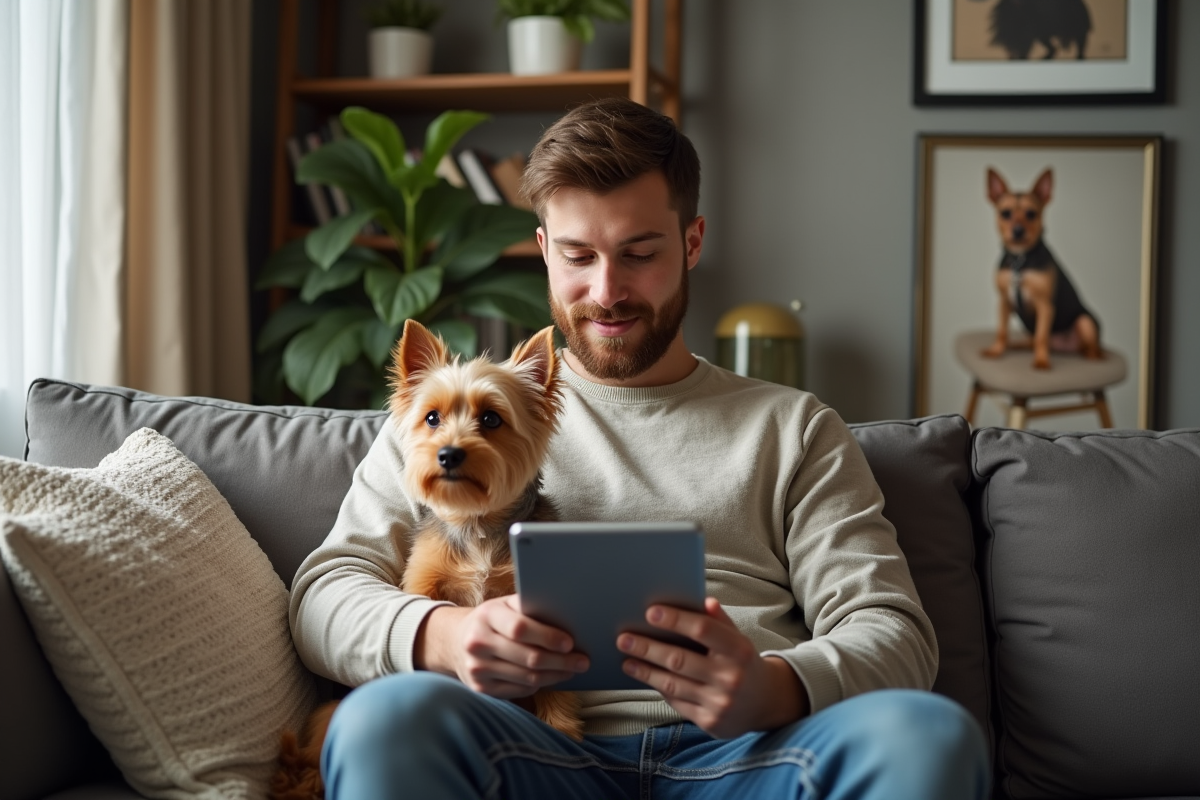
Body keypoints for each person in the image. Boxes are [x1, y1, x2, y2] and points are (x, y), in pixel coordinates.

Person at [288, 96, 989, 799]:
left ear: (692, 242)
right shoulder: (440, 422)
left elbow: (894, 632)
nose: (607, 291)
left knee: (928, 736)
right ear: (544, 251)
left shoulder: (795, 429)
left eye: (640, 253)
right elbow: (323, 596)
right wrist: (444, 636)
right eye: (578, 256)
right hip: (529, 750)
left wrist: (772, 687)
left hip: (751, 755)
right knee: (381, 723)